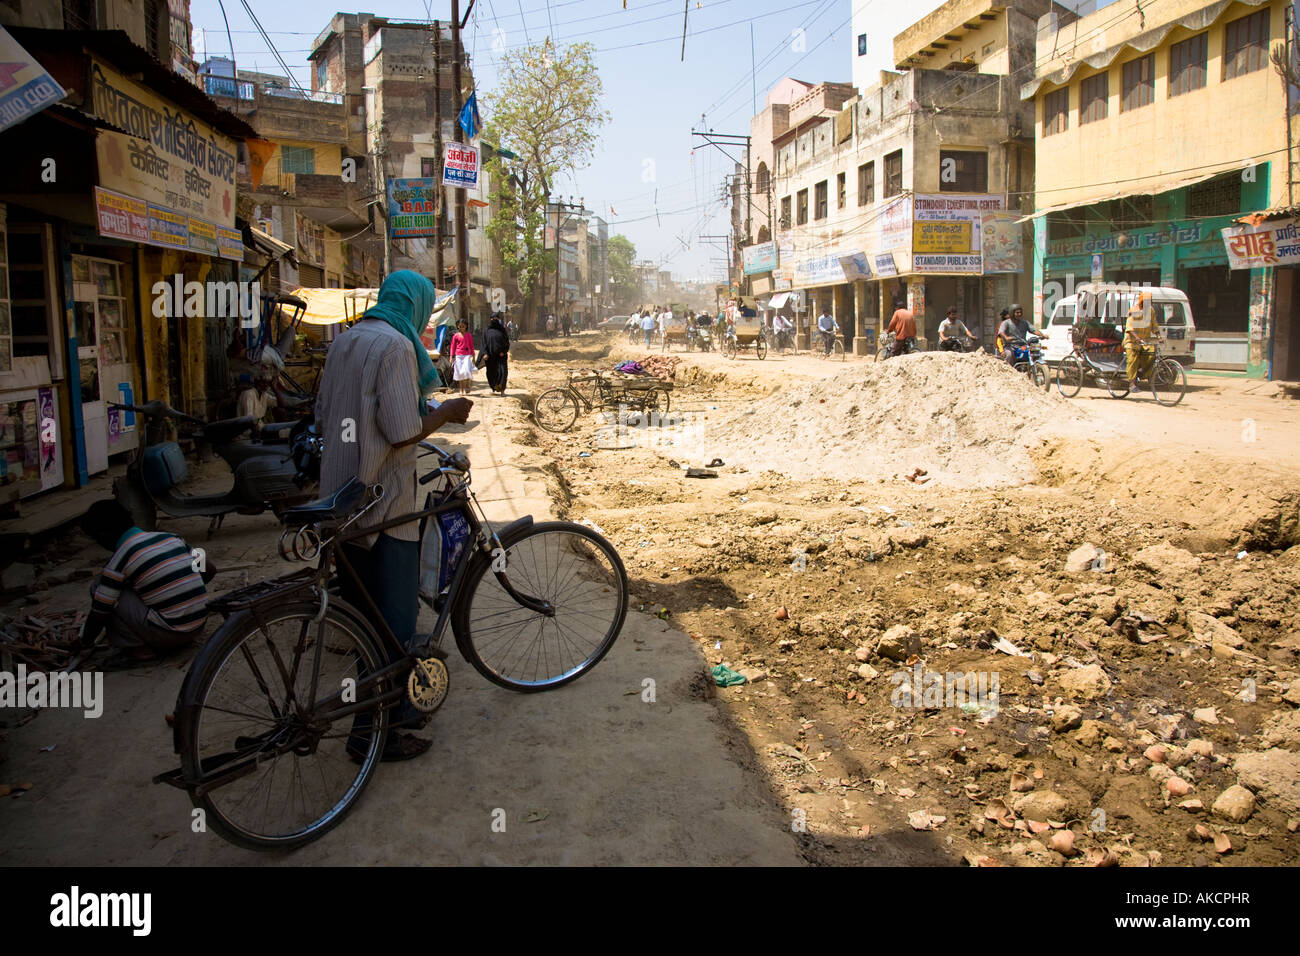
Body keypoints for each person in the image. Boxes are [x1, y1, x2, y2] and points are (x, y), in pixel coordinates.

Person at [315, 269, 472, 762]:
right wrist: (446, 412)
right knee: (396, 624)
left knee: (363, 621)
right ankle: (373, 734)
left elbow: (325, 411)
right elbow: (404, 430)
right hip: (384, 503)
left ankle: (387, 716)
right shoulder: (399, 348)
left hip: (340, 499)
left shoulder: (346, 340)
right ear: (417, 306)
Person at [79, 499, 211, 660]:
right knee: (131, 584)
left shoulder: (120, 558)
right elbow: (210, 569)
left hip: (169, 636)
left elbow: (100, 612)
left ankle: (139, 649)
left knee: (101, 588)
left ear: (103, 536)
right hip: (199, 625)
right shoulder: (172, 537)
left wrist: (85, 641)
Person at [1125, 293, 1163, 383]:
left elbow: (1155, 325)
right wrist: (1137, 338)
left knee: (1151, 355)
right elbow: (1129, 328)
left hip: (1145, 342)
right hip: (1132, 342)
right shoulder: (1134, 311)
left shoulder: (1151, 311)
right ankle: (1131, 383)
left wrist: (1159, 336)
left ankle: (1144, 375)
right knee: (1132, 361)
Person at [481, 311, 511, 394]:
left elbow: (507, 342)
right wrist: (485, 353)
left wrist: (504, 351)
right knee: (491, 373)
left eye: (496, 319)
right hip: (490, 357)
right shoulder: (486, 330)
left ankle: (502, 390)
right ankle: (494, 387)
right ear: (490, 319)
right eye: (493, 318)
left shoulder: (502, 330)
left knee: (503, 373)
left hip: (501, 356)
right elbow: (484, 343)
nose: (495, 320)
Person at [450, 318, 475, 395]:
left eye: (463, 326)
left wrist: (473, 356)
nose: (461, 328)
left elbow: (471, 346)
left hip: (467, 355)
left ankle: (467, 385)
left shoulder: (468, 335)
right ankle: (461, 389)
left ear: (466, 326)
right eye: (460, 326)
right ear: (458, 326)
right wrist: (451, 357)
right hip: (458, 356)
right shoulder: (455, 336)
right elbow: (453, 347)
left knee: (467, 370)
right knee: (459, 373)